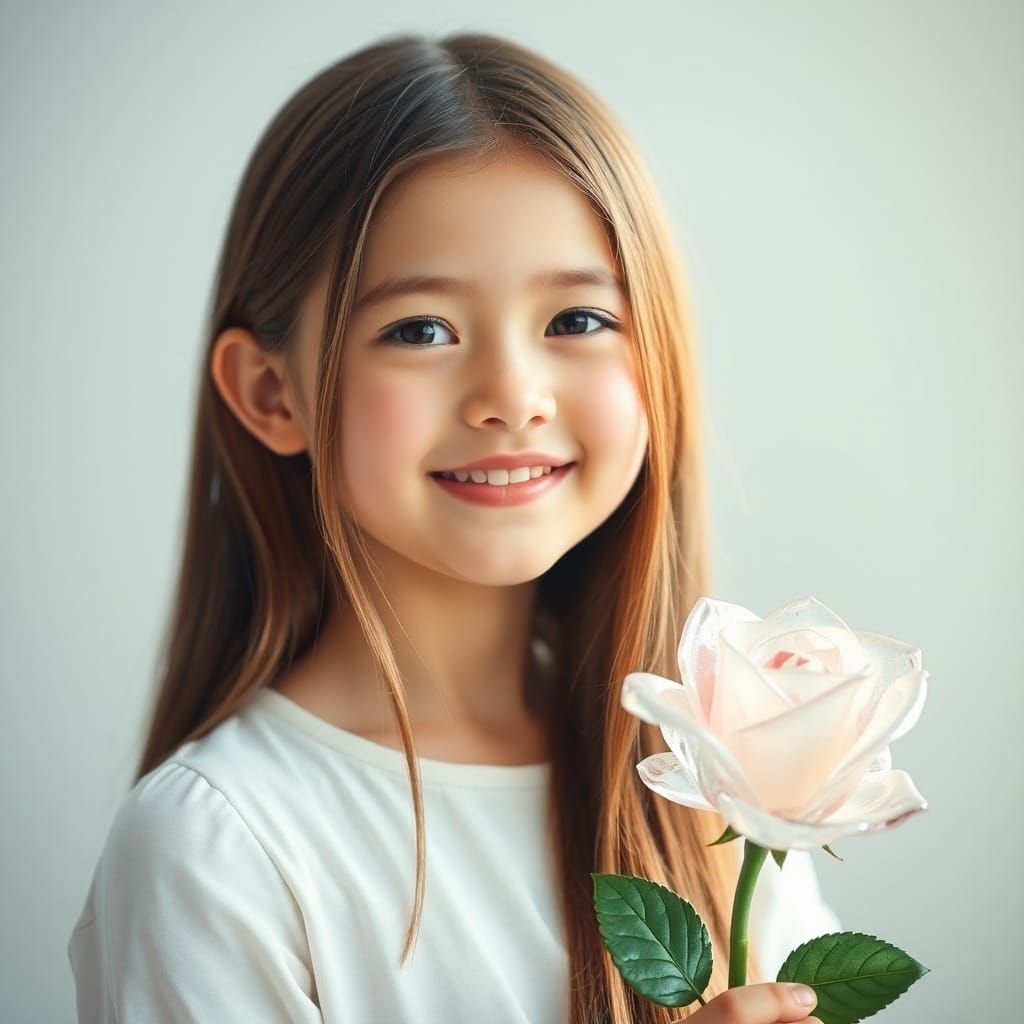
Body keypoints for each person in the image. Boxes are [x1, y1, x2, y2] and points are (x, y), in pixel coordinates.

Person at [66, 31, 841, 1024]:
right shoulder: (216, 844)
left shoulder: (713, 784)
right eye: (420, 330)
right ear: (271, 393)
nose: (512, 397)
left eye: (576, 321)